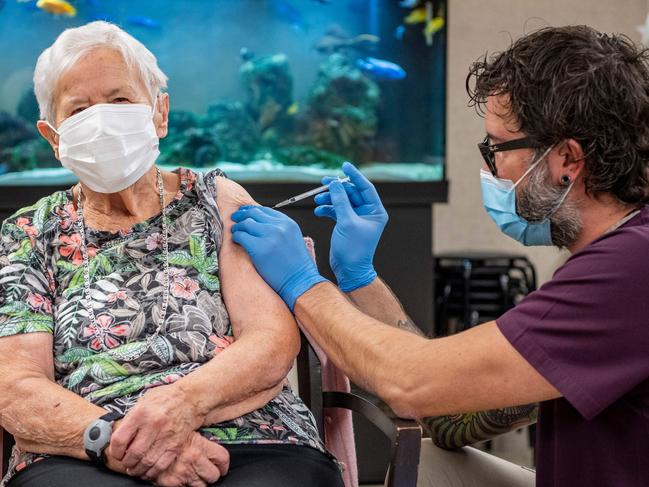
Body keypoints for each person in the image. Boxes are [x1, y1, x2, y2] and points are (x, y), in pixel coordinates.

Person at [231, 25, 649, 487]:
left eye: (496, 148)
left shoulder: (631, 272)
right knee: (433, 464)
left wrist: (304, 284)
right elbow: (451, 416)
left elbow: (410, 382)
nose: (489, 168)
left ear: (566, 160)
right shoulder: (616, 255)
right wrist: (359, 278)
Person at [0, 21, 343, 487]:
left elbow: (270, 340)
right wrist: (124, 443)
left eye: (120, 100)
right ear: (53, 135)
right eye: (79, 109)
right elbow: (15, 386)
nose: (102, 119)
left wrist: (179, 406)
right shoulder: (28, 233)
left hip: (253, 437)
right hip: (88, 448)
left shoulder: (218, 200)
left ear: (160, 113)